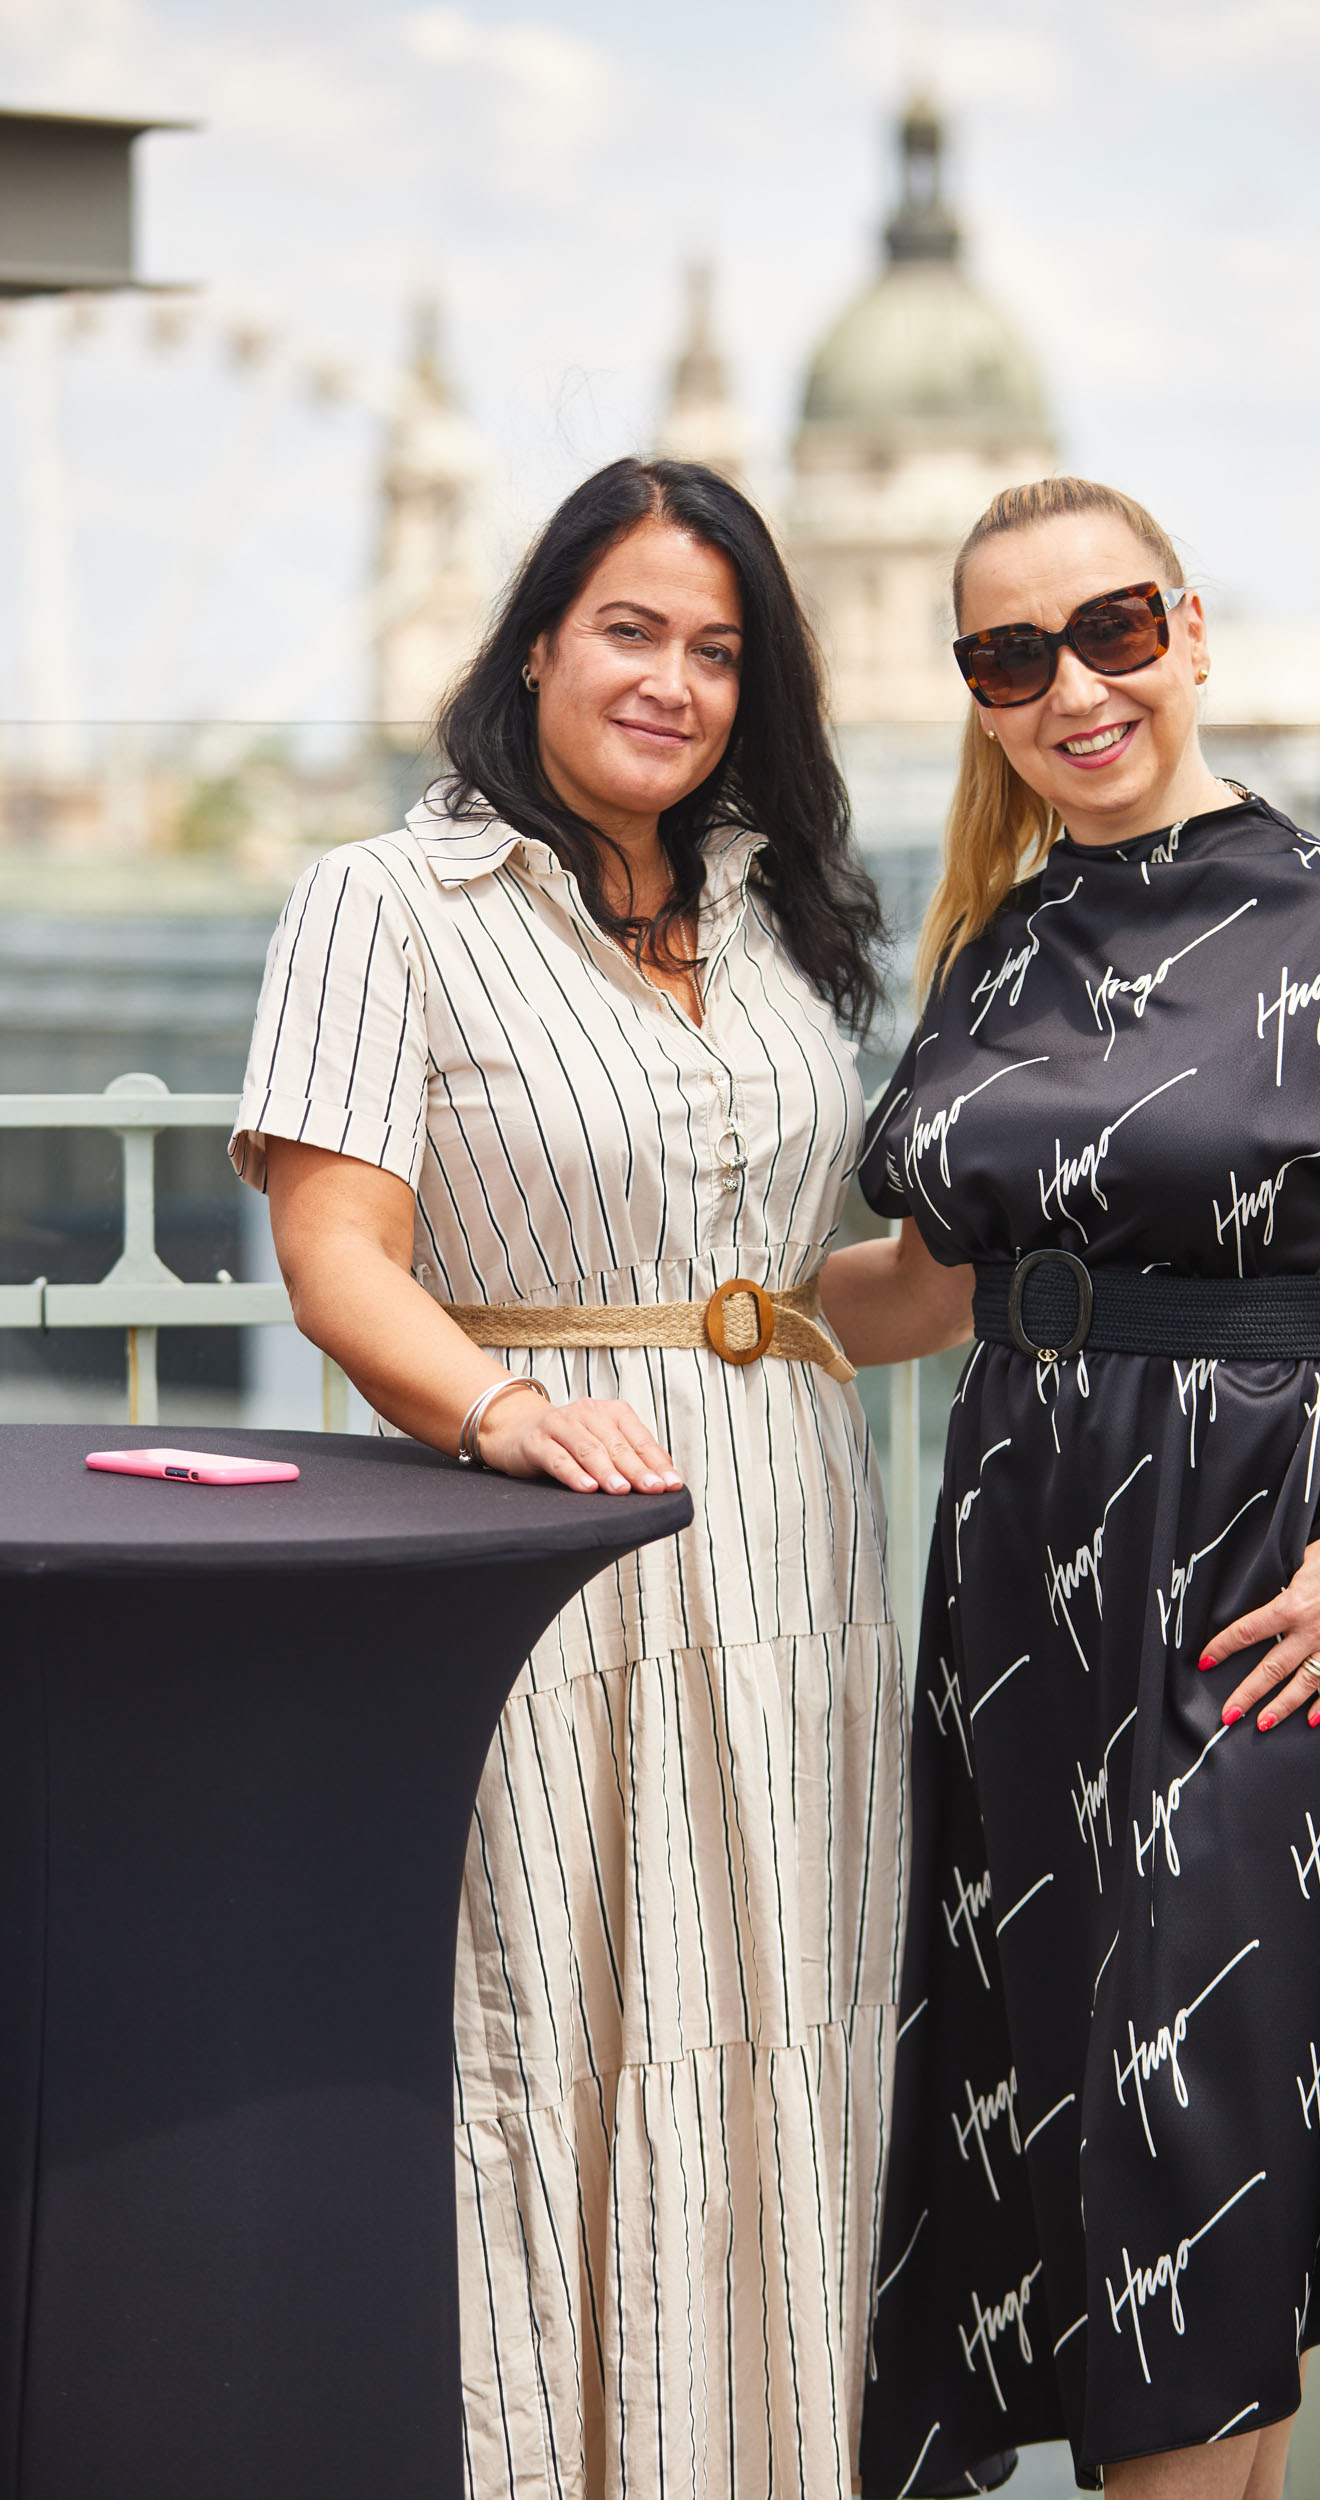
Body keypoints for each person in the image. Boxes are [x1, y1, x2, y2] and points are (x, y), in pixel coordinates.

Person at [826, 476, 1320, 2498]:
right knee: (1103, 2134)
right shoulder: (992, 948)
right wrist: (680, 1317)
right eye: (1013, 657)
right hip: (1026, 1596)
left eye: (1115, 630)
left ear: (1191, 628)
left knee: (1194, 2128)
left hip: (1270, 1578)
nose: (1075, 689)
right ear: (977, 694)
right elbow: (930, 1288)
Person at [230, 457, 918, 2500]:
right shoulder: (383, 903)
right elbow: (339, 1256)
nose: (672, 682)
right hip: (541, 1545)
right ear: (535, 641)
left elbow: (785, 1285)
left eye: (718, 649)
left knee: (787, 2036)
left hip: (791, 1540)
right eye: (629, 628)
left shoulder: (770, 910)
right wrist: (498, 1409)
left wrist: (1038, 1230)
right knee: (558, 2031)